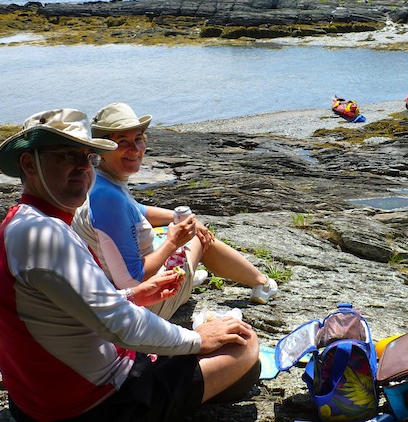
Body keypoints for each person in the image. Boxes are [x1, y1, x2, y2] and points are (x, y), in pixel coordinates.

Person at [0, 108, 260, 422]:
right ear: (29, 164)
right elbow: (123, 327)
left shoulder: (29, 223)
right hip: (98, 403)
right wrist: (200, 340)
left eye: (87, 157)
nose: (81, 167)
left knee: (218, 340)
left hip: (52, 397)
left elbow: (73, 305)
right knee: (245, 344)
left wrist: (134, 297)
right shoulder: (44, 235)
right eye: (65, 155)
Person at [72, 102, 278, 320]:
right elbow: (131, 281)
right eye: (122, 142)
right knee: (199, 238)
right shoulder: (108, 198)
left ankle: (189, 272)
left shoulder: (98, 180)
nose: (134, 149)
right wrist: (173, 243)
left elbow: (137, 210)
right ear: (103, 149)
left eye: (138, 139)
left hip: (112, 292)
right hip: (144, 306)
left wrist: (178, 218)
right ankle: (262, 283)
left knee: (187, 229)